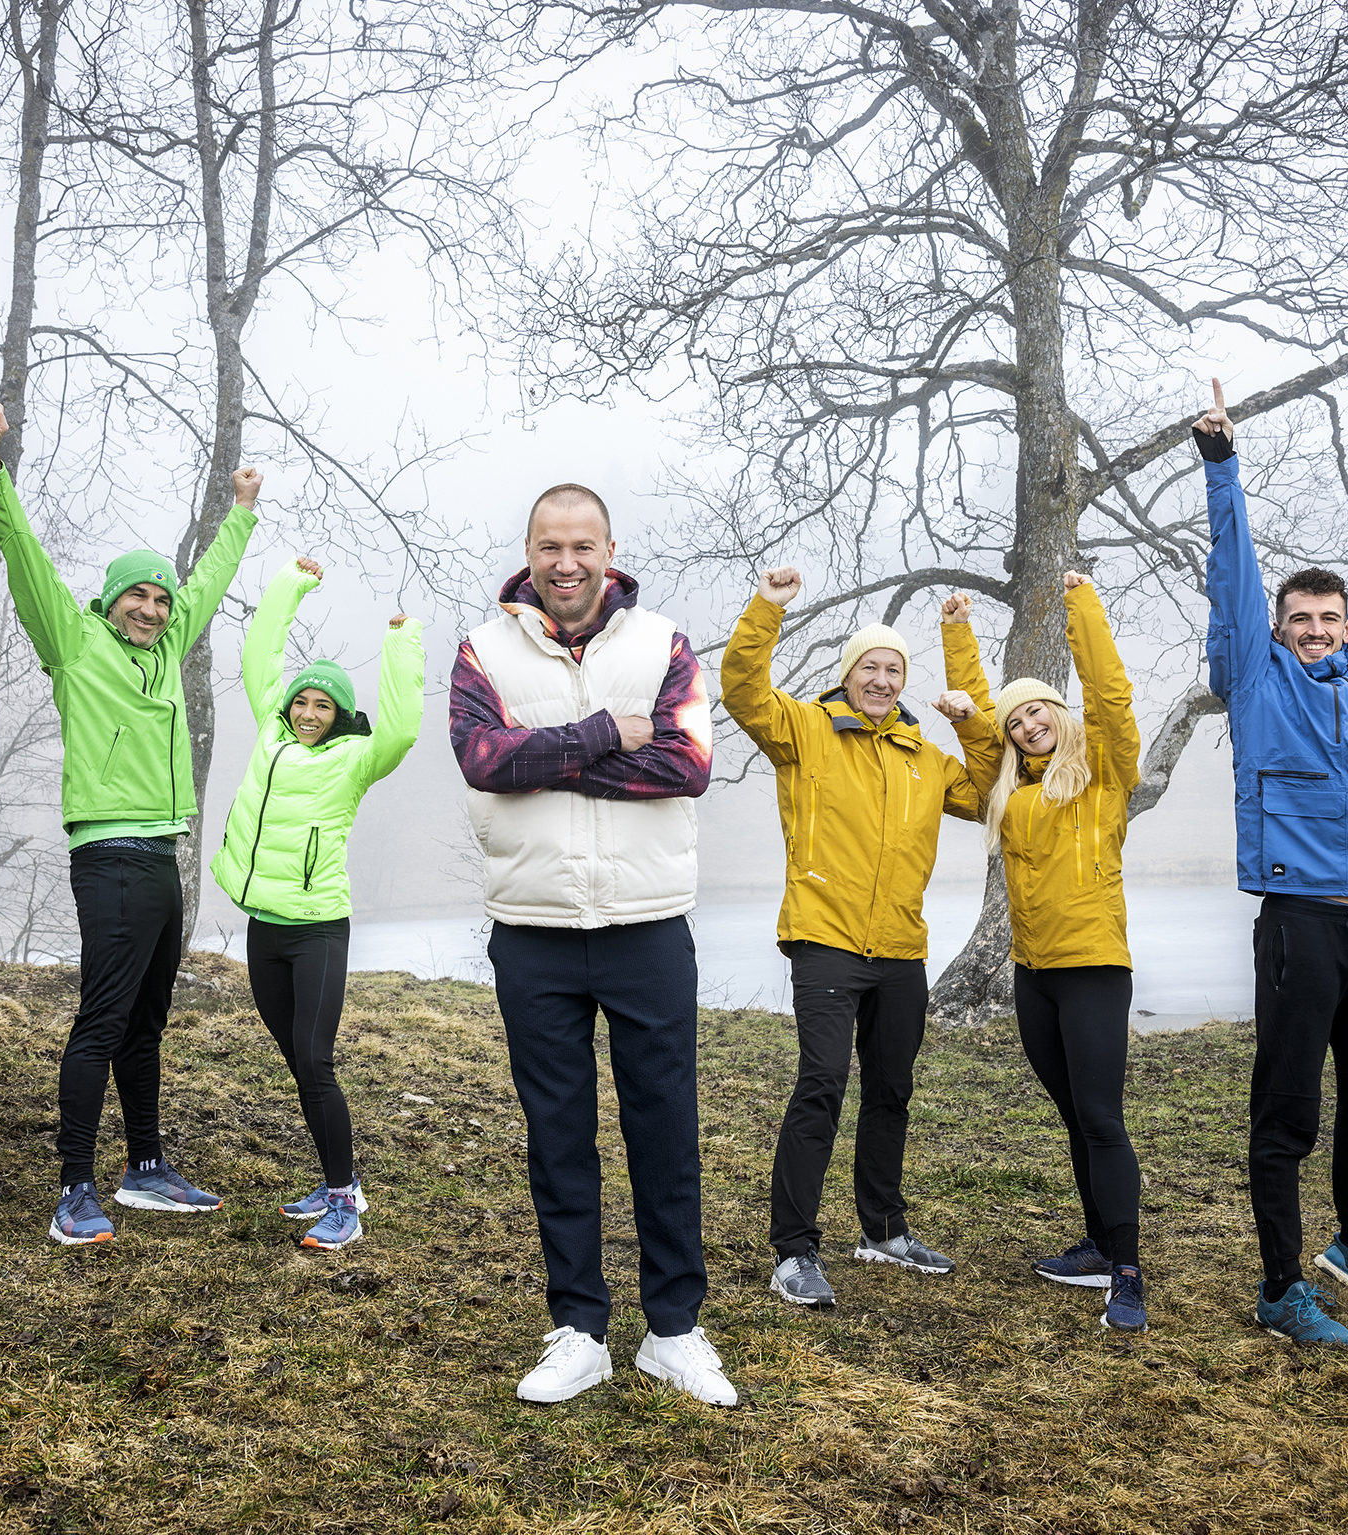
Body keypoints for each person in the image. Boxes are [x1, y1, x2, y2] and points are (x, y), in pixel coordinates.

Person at [450, 483, 732, 1407]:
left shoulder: (664, 644)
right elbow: (482, 762)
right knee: (557, 1138)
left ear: (610, 550)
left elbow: (688, 764)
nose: (564, 563)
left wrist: (548, 755)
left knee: (665, 1131)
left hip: (648, 925)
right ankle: (579, 1328)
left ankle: (673, 1331)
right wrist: (608, 732)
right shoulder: (481, 650)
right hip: (531, 932)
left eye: (582, 545)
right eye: (548, 545)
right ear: (526, 551)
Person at [0, 400, 262, 1245]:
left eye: (161, 600)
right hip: (108, 854)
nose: (155, 609)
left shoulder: (168, 650)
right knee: (101, 1018)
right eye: (139, 594)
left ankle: (145, 1169)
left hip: (163, 858)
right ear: (111, 598)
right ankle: (72, 1189)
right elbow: (23, 556)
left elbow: (205, 583)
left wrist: (240, 513)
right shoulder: (76, 642)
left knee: (145, 1020)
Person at [1199, 374, 1348, 1350]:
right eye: (1298, 618)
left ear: (1345, 623)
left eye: (1326, 618)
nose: (1313, 629)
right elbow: (1232, 572)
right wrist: (1221, 466)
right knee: (1287, 1109)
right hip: (1300, 924)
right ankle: (1277, 1288)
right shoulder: (1254, 679)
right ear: (1279, 627)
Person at [720, 568, 997, 1311]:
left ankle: (882, 1228)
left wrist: (970, 710)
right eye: (869, 667)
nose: (880, 678)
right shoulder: (805, 728)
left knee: (892, 1090)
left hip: (901, 950)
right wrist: (767, 608)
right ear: (848, 675)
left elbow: (986, 784)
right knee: (820, 1087)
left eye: (893, 670)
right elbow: (743, 689)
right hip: (826, 941)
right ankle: (793, 1251)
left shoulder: (923, 756)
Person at [209, 555, 423, 1252]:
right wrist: (290, 585)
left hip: (318, 930)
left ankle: (344, 1200)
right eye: (301, 701)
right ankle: (338, 1180)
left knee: (315, 1058)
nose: (306, 713)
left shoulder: (354, 758)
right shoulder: (271, 733)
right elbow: (258, 652)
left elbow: (399, 727)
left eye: (321, 705)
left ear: (338, 716)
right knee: (298, 1062)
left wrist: (400, 642)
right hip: (262, 925)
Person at [967, 574, 1150, 1333]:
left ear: (1058, 713)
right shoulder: (1011, 793)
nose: (1023, 724)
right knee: (1074, 1114)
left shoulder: (1104, 773)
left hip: (1094, 970)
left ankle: (1129, 1273)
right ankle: (1099, 1244)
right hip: (1032, 974)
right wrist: (956, 643)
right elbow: (978, 736)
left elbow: (1111, 697)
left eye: (1035, 709)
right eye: (1014, 720)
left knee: (1101, 1117)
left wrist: (1082, 608)